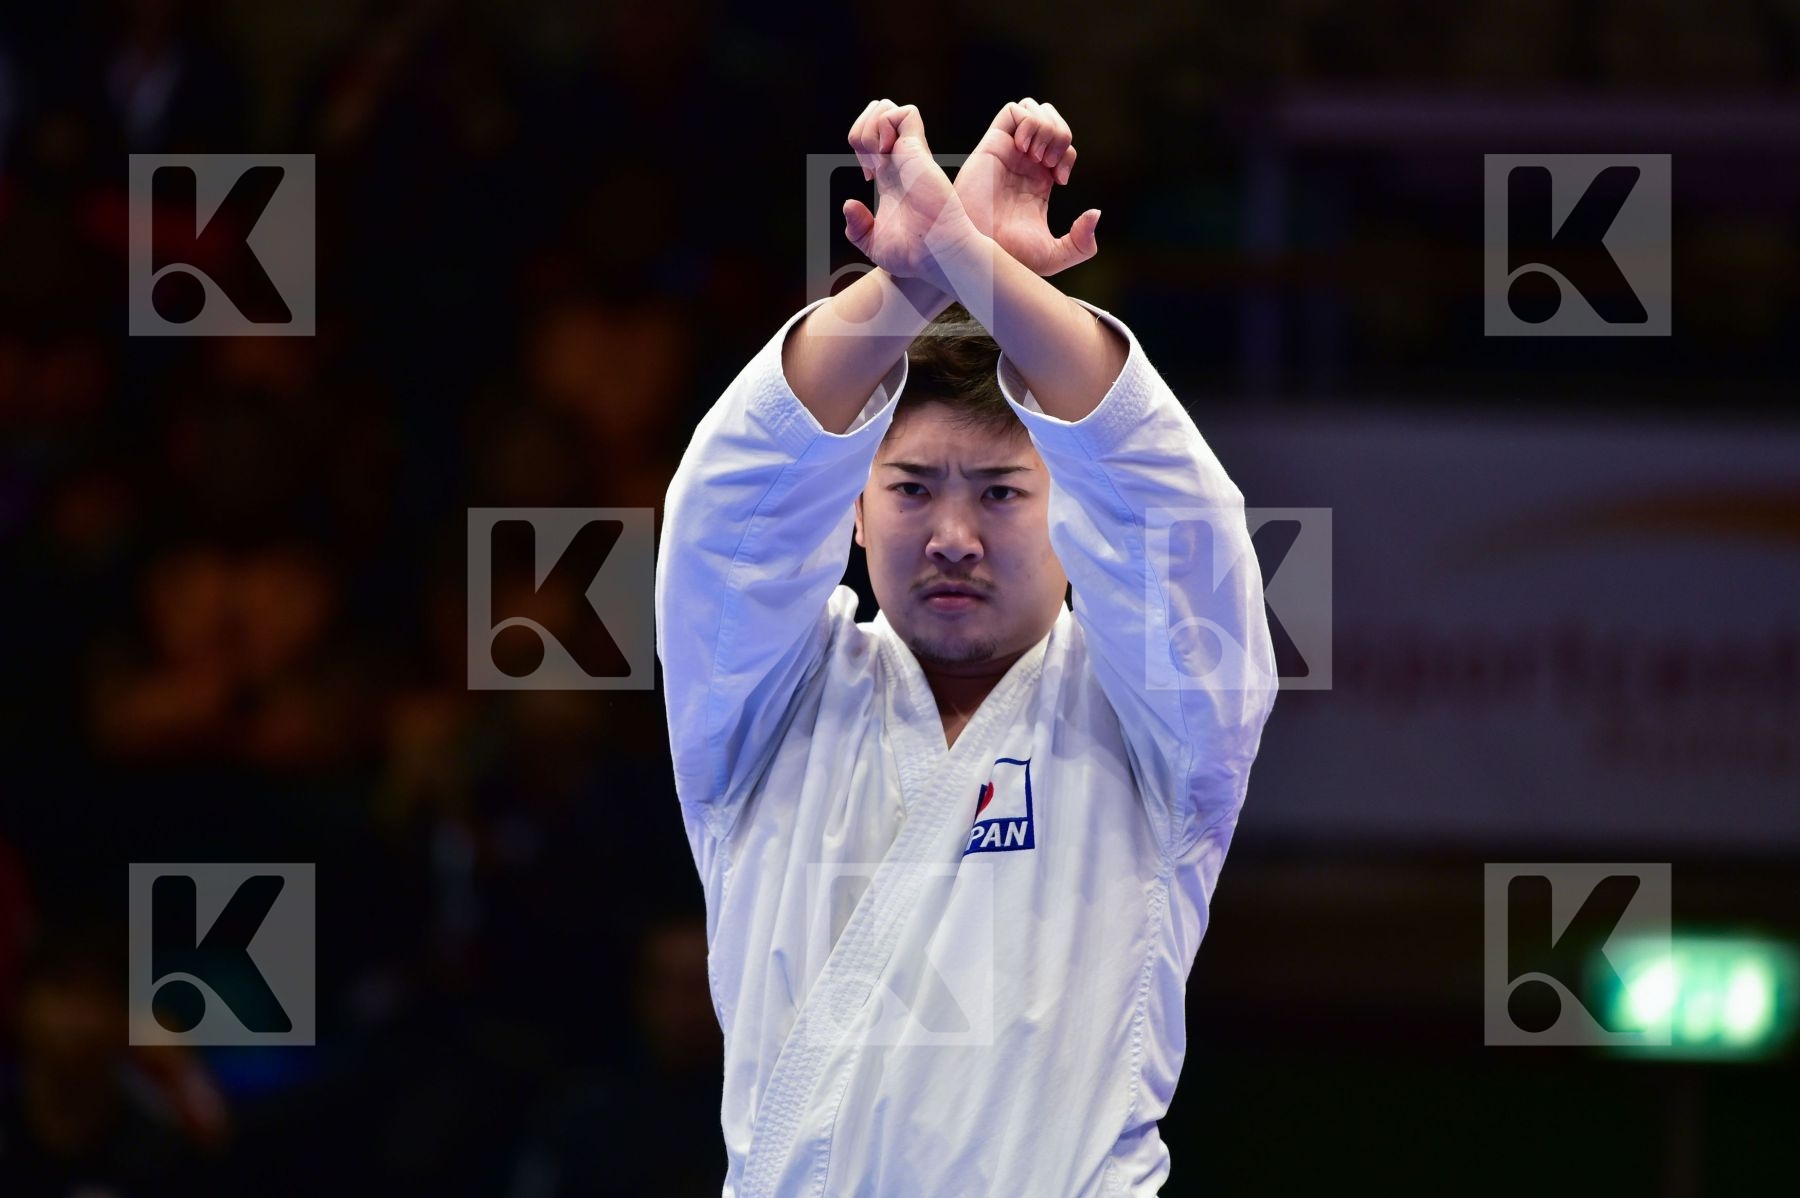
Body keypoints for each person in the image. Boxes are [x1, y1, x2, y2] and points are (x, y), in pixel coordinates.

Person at [655, 97, 1278, 1197]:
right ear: (854, 506)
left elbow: (1178, 527)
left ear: (1069, 513)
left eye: (999, 492)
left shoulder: (1162, 731)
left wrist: (992, 278)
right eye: (910, 489)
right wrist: (912, 284)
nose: (952, 536)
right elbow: (726, 511)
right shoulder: (762, 708)